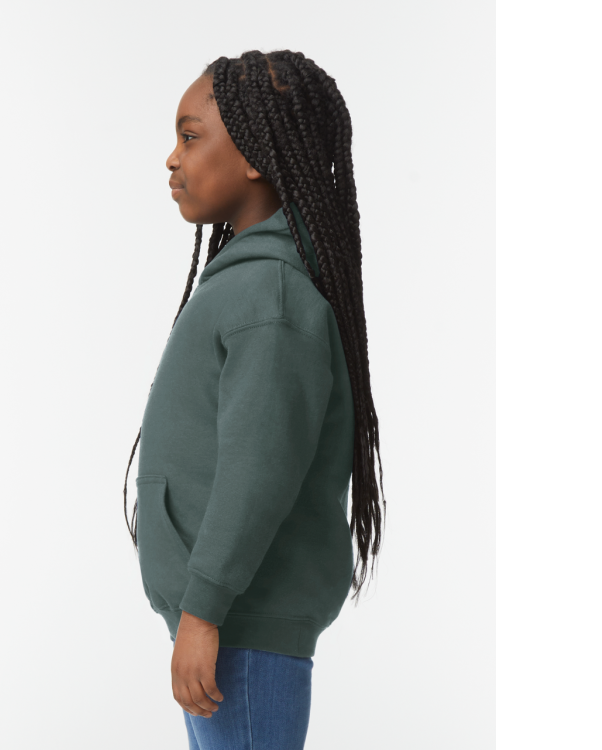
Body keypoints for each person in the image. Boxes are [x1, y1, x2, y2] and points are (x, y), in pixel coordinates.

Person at [123, 50, 385, 749]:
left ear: (254, 155)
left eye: (190, 136)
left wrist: (204, 611)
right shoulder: (248, 283)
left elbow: (257, 469)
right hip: (227, 623)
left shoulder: (270, 296)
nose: (172, 159)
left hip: (239, 625)